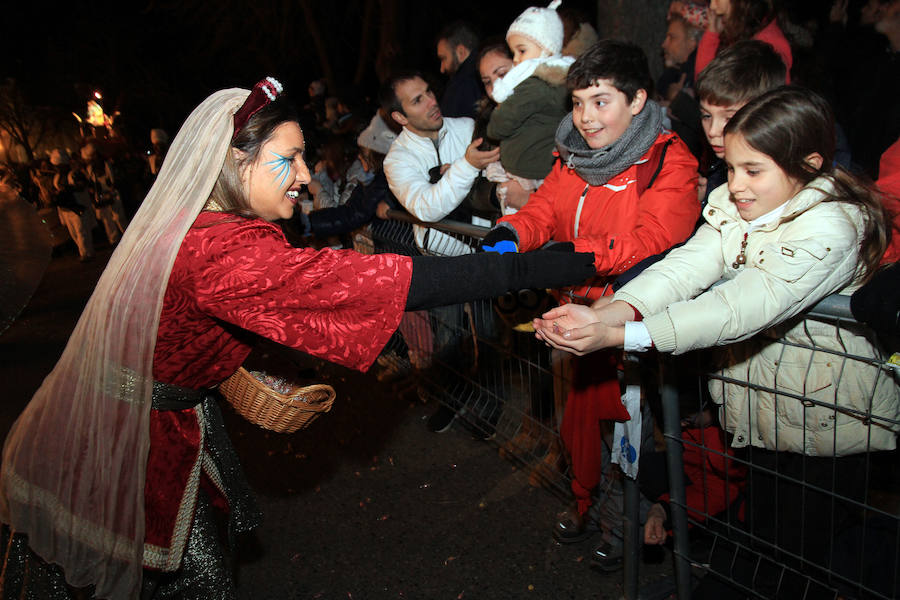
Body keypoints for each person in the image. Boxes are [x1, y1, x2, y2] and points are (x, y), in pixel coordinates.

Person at [0, 78, 597, 599]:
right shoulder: (222, 251)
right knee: (186, 578)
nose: (308, 177)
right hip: (131, 443)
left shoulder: (207, 224)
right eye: (290, 160)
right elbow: (380, 283)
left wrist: (220, 366)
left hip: (149, 420)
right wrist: (538, 268)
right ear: (235, 163)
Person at [534, 86, 899, 595]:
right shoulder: (734, 204)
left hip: (831, 422)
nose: (737, 184)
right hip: (763, 413)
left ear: (809, 165)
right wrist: (613, 308)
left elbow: (741, 305)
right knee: (774, 547)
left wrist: (625, 335)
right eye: (731, 167)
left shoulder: (832, 225)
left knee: (799, 559)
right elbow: (686, 268)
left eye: (754, 170)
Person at [480, 39, 699, 548]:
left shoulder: (668, 162)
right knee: (580, 426)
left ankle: (626, 531)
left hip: (633, 323)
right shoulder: (574, 157)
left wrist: (573, 256)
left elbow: (649, 241)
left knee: (634, 434)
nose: (586, 117)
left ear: (638, 101)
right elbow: (544, 208)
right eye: (578, 103)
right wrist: (512, 232)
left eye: (601, 101)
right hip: (575, 316)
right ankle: (588, 504)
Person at [482, 0, 574, 215]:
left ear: (547, 49)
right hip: (539, 169)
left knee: (519, 230)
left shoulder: (533, 86)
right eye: (513, 53)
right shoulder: (559, 82)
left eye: (521, 50)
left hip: (527, 174)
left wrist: (499, 111)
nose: (517, 60)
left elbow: (497, 127)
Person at [695, 40, 787, 208]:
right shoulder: (718, 171)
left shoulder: (785, 181)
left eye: (730, 119)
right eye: (706, 115)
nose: (713, 131)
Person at [695, 0, 792, 82]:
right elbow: (703, 82)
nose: (712, 6)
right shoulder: (742, 32)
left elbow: (708, 87)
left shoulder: (769, 45)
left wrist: (712, 36)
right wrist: (712, 34)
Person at [81, 142, 129, 245]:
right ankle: (114, 240)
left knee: (119, 217)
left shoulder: (107, 164)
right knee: (107, 220)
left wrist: (110, 191)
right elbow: (91, 184)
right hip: (101, 197)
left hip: (112, 194)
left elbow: (113, 180)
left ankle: (127, 237)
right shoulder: (90, 169)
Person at [436, 21, 482, 119]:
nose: (442, 69)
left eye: (443, 58)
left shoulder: (461, 84)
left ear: (461, 52)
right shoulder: (488, 73)